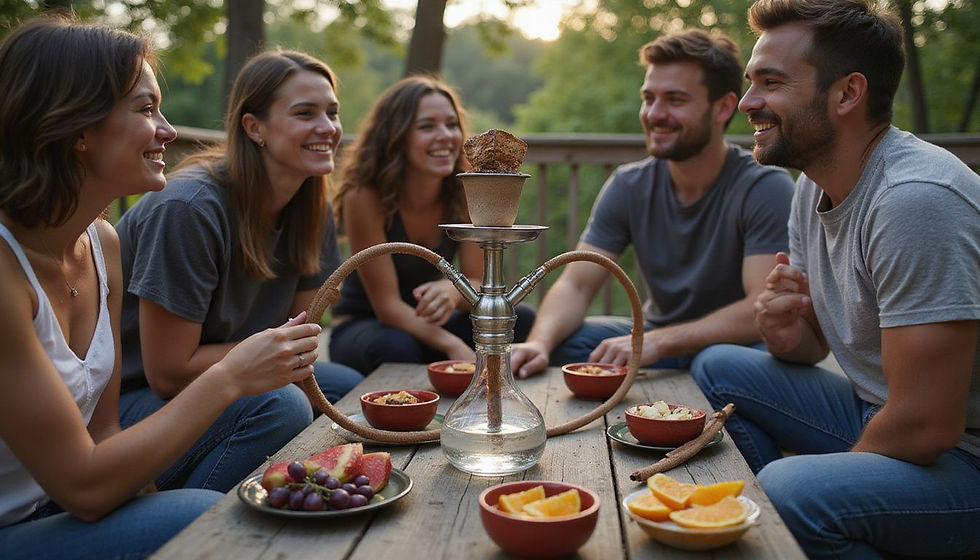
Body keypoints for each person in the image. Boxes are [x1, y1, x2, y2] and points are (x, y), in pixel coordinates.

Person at [0, 16, 324, 559]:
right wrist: (228, 377)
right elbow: (84, 486)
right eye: (146, 110)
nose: (169, 131)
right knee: (201, 515)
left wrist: (146, 512)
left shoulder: (100, 244)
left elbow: (103, 435)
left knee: (205, 497)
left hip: (58, 505)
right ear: (76, 127)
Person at [690, 0, 980, 557]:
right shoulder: (811, 185)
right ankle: (806, 533)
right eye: (752, 83)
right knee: (718, 365)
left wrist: (829, 480)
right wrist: (784, 332)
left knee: (791, 492)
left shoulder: (914, 201)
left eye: (770, 83)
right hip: (882, 412)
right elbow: (811, 347)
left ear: (847, 93)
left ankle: (802, 523)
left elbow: (927, 426)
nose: (747, 103)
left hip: (960, 455)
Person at [115, 49, 363, 492]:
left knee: (347, 386)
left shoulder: (312, 208)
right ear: (254, 127)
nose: (328, 128)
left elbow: (299, 334)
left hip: (224, 379)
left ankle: (298, 490)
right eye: (306, 113)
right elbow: (169, 372)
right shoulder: (188, 209)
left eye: (332, 112)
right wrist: (280, 351)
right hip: (131, 403)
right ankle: (202, 520)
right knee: (281, 406)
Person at [511, 29, 795, 378]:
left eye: (675, 100)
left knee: (719, 363)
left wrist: (659, 341)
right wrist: (539, 343)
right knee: (569, 343)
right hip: (659, 341)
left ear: (723, 108)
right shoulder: (629, 184)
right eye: (649, 98)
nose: (654, 114)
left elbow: (758, 309)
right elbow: (577, 284)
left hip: (734, 350)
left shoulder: (764, 186)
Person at [329, 75, 535, 375]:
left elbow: (478, 282)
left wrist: (453, 293)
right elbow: (387, 307)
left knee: (521, 319)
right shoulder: (364, 195)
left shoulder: (464, 190)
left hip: (434, 323)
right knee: (396, 347)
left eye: (451, 125)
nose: (445, 136)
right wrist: (452, 345)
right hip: (370, 324)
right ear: (395, 135)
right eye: (427, 126)